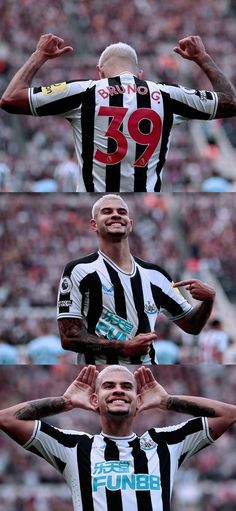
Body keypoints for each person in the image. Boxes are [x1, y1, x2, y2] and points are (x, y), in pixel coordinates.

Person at [1, 34, 236, 192]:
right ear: (140, 74)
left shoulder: (85, 90)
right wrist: (202, 58)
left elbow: (10, 99)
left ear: (100, 73)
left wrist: (39, 55)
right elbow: (230, 102)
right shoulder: (168, 95)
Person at [0, 365, 236, 511]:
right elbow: (7, 419)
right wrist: (65, 402)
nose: (118, 390)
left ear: (138, 401)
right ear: (95, 400)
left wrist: (168, 401)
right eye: (109, 386)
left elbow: (229, 413)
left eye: (126, 386)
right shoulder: (75, 447)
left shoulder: (165, 444)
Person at [57, 194, 216, 364]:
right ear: (94, 224)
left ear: (130, 224)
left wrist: (209, 300)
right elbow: (69, 337)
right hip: (99, 372)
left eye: (122, 212)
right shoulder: (79, 270)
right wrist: (122, 346)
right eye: (107, 211)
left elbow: (192, 326)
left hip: (146, 370)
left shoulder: (157, 276)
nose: (116, 215)